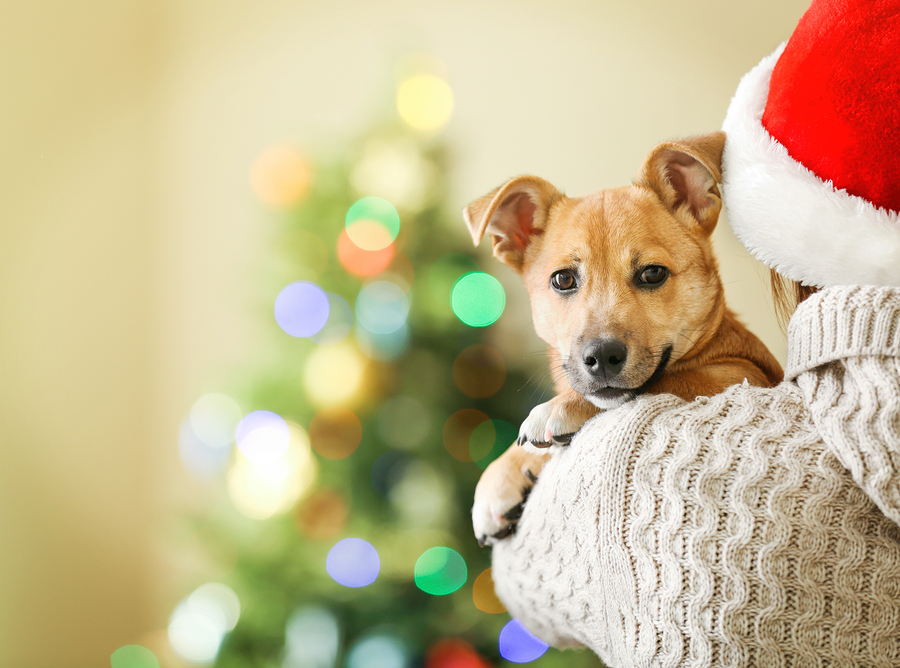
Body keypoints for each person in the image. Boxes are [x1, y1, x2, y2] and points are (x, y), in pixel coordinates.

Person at [487, 0, 900, 665]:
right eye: (566, 283)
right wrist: (524, 458)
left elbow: (526, 582)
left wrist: (569, 428)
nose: (603, 332)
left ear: (698, 201)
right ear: (517, 246)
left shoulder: (727, 417)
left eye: (649, 276)